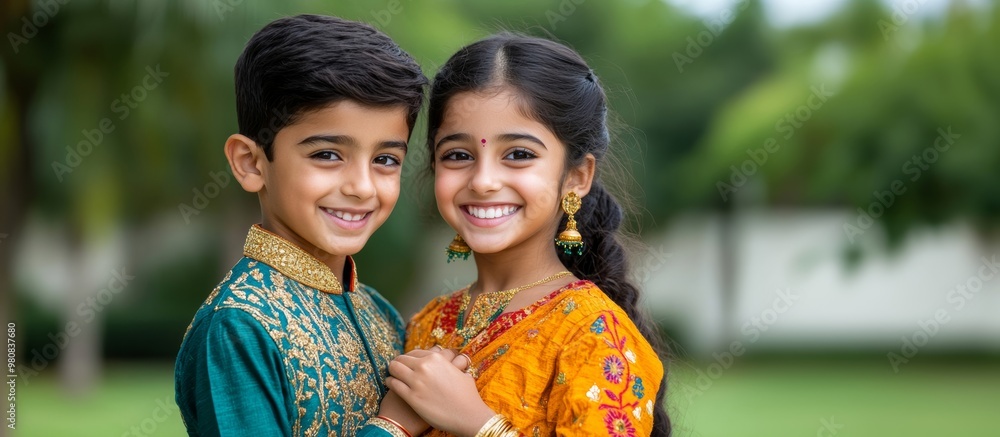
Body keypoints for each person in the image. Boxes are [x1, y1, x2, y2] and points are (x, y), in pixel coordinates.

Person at [370, 33, 671, 436]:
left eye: (518, 154)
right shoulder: (427, 323)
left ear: (577, 176)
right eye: (458, 155)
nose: (484, 181)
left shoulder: (596, 335)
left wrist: (479, 424)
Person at [173, 14, 427, 436]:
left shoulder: (378, 311)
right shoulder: (238, 327)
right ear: (251, 163)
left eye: (385, 160)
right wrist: (393, 426)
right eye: (328, 154)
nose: (363, 187)